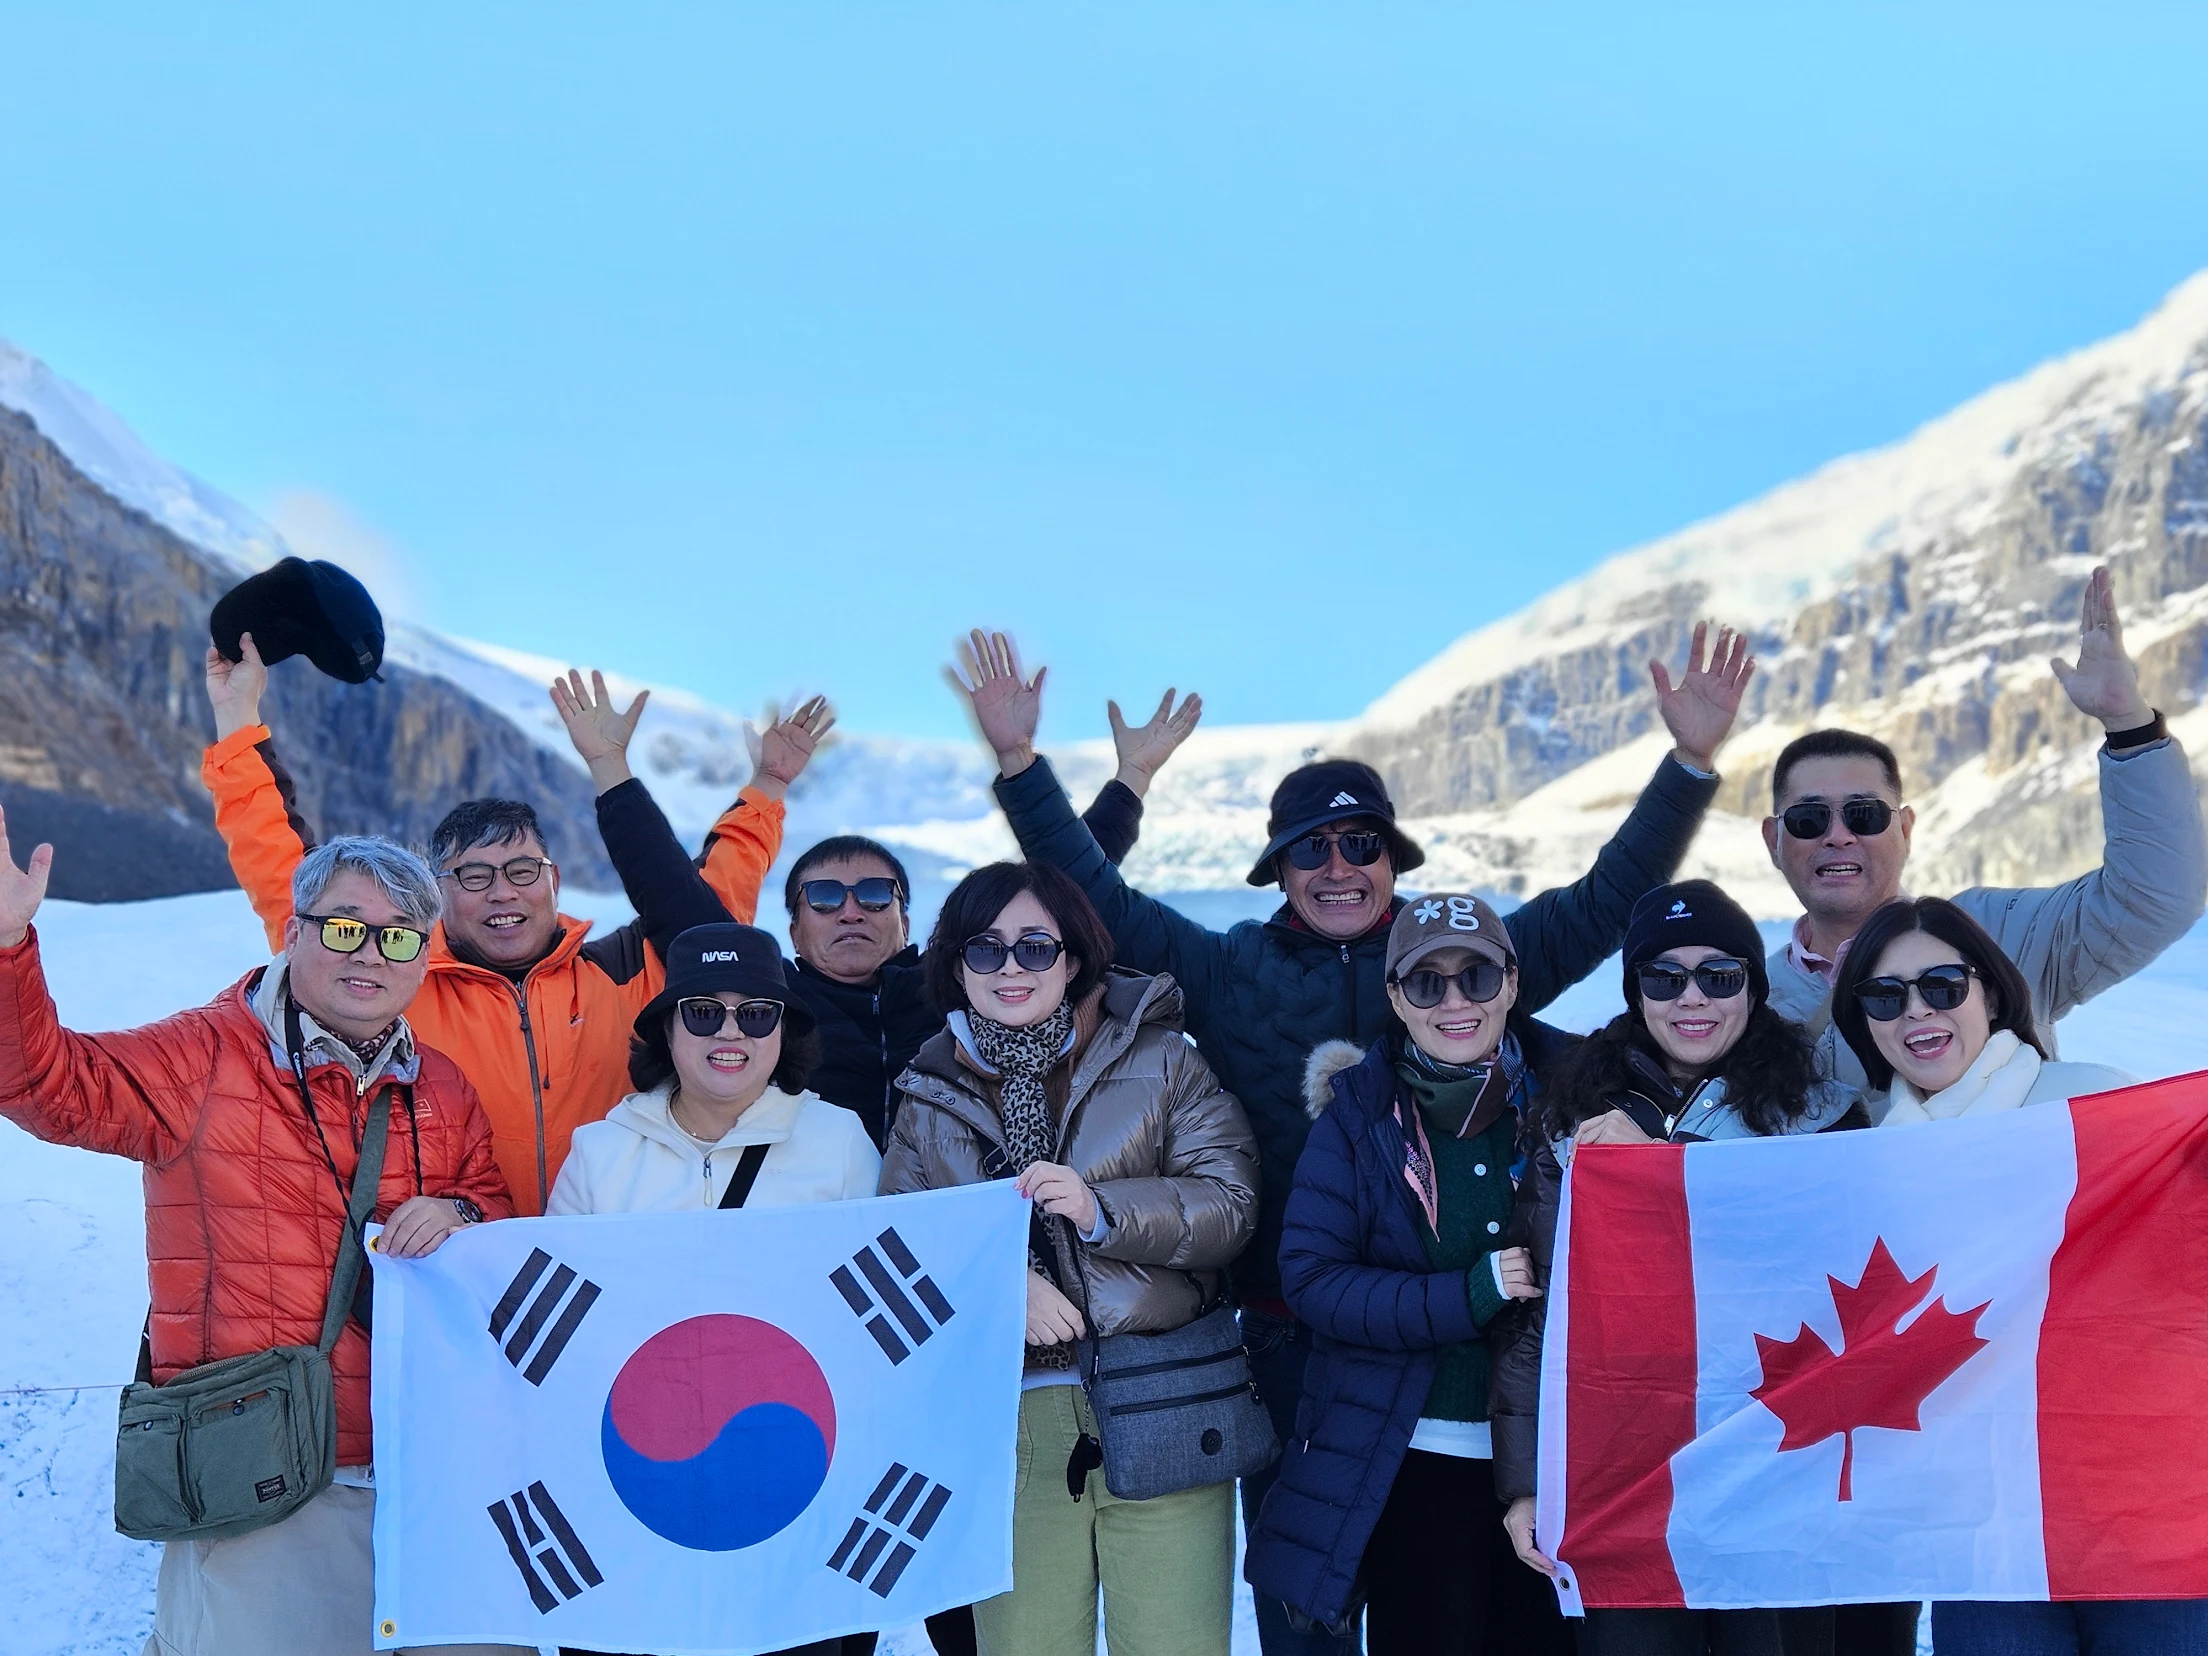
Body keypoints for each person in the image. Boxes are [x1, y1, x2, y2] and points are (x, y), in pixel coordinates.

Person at [949, 623, 1755, 1656]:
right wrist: (1024, 766)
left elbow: (1605, 899)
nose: (1338, 866)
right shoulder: (1229, 970)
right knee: (1308, 1615)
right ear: (1280, 870)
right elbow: (1088, 902)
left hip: (1464, 1339)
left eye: (1360, 844)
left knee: (1456, 1613)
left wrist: (1688, 765)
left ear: (1392, 860)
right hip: (1290, 1345)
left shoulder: (1460, 959)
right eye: (1311, 849)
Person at [0, 813, 517, 1656]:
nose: (369, 954)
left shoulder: (443, 1089)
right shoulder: (204, 1056)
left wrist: (461, 1214)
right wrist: (8, 948)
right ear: (294, 931)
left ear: (424, 956)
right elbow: (44, 1083)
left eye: (397, 937)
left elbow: (495, 1216)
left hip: (427, 1469)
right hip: (265, 1476)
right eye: (344, 927)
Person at [201, 639, 820, 1213]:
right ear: (438, 894)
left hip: (605, 1267)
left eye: (523, 870)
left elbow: (711, 903)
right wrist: (236, 722)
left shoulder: (627, 972)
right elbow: (288, 878)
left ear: (554, 881)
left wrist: (767, 787)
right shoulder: (399, 979)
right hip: (453, 1263)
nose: (503, 891)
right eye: (473, 875)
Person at [879, 860, 1258, 1656]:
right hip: (1008, 1423)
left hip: (1162, 1399)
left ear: (1074, 957)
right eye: (985, 949)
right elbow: (898, 1253)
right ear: (956, 966)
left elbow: (1230, 1206)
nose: (1010, 968)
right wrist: (998, 1286)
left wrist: (1101, 1210)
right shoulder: (927, 1092)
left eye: (1034, 946)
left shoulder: (1163, 1059)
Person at [1493, 880, 1856, 1656]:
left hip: (1777, 1471)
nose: (1693, 998)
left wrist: (1663, 1167)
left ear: (1753, 988)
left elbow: (1831, 1286)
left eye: (1719, 976)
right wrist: (1527, 1484)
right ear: (1636, 992)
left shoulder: (1820, 1116)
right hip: (1628, 1477)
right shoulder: (1576, 1117)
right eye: (1664, 978)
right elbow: (1542, 1320)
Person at [1825, 895, 2172, 1655]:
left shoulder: (2094, 1101)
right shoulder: (1864, 1163)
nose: (1918, 1011)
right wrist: (1638, 1166)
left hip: (2138, 1504)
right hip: (1985, 1526)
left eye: (1943, 985)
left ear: (1990, 991)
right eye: (1885, 996)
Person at [1247, 894, 1575, 1654]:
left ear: (1512, 983)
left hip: (1559, 1456)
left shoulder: (1577, 1096)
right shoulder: (1358, 1118)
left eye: (1477, 977)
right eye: (1427, 984)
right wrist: (1468, 1294)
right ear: (1396, 998)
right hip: (1420, 1453)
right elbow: (1314, 1281)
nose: (1455, 1002)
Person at [546, 921, 875, 1656]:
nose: (731, 1032)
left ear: (784, 1031)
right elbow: (559, 1327)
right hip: (637, 1481)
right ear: (668, 1030)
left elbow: (872, 1319)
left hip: (789, 1481)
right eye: (703, 1013)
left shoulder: (840, 1144)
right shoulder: (600, 1152)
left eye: (756, 1014)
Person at [1762, 565, 2205, 1110]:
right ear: (1773, 839)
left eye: (1865, 815)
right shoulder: (1737, 1001)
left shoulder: (2002, 934)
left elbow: (2156, 896)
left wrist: (2129, 725)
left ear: (1905, 829)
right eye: (1809, 819)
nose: (1838, 836)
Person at [763, 686, 1204, 1151]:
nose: (851, 912)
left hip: (956, 1190)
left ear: (905, 922)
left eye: (875, 895)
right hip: (815, 1195)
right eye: (825, 898)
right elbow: (707, 909)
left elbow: (1061, 888)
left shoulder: (964, 984)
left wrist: (1132, 777)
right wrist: (768, 782)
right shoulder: (765, 1009)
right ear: (794, 930)